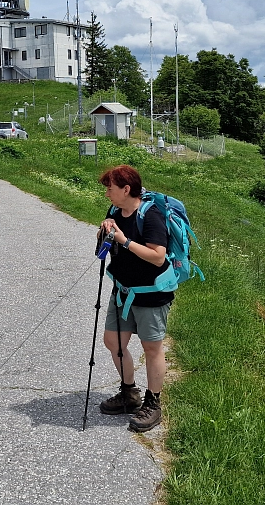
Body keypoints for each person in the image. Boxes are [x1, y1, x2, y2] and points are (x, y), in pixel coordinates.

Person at [97, 164, 170, 433]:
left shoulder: (151, 216)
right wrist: (105, 231)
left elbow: (158, 256)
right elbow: (108, 243)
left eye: (110, 188)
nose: (107, 193)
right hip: (123, 290)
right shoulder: (115, 212)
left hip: (152, 293)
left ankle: (153, 403)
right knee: (113, 341)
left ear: (126, 189)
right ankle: (129, 393)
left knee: (152, 349)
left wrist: (125, 241)